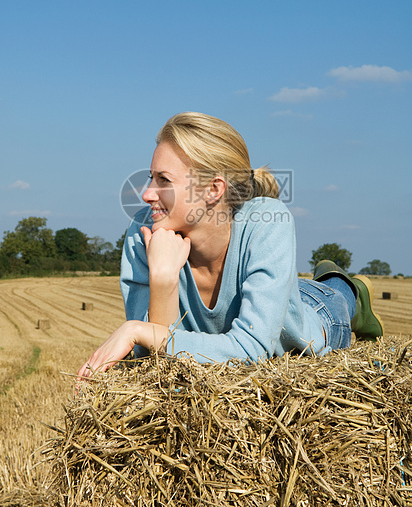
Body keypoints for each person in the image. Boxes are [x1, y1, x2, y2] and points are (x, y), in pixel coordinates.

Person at [77, 112, 383, 378]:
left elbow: (253, 351)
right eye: (150, 178)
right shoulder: (143, 231)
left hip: (316, 314)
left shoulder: (267, 220)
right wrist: (163, 279)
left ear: (213, 189)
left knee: (333, 296)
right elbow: (156, 370)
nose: (146, 195)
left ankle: (352, 289)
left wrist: (136, 329)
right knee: (290, 290)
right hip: (270, 292)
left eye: (163, 180)